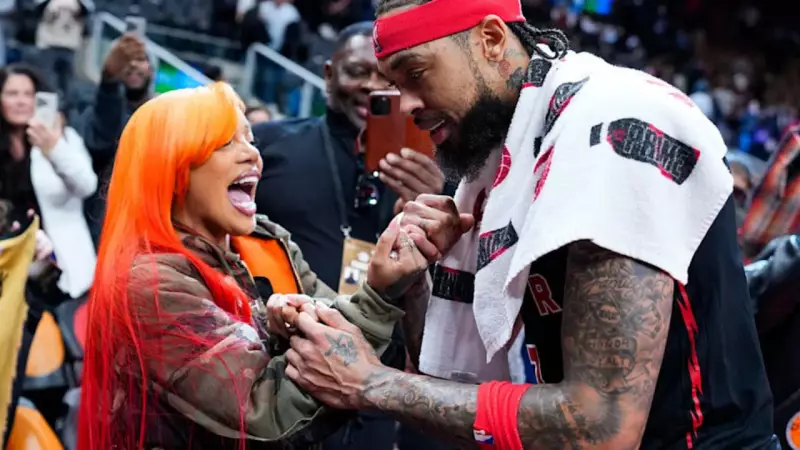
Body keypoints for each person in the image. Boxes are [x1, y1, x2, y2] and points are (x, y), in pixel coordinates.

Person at [278, 1, 778, 449]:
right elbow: (458, 391)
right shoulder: (498, 157)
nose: (404, 105)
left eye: (415, 73)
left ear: (491, 39)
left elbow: (601, 427)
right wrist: (414, 283)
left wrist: (371, 383)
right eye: (394, 84)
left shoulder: (611, 124)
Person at [77, 82, 428, 450]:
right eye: (226, 143)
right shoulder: (151, 283)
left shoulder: (267, 241)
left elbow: (357, 346)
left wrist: (401, 281)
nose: (252, 155)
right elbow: (266, 415)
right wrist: (378, 296)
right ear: (172, 166)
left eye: (250, 139)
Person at [253, 21, 446, 450]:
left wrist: (437, 202)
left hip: (378, 390)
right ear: (328, 74)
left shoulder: (437, 172)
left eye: (388, 79)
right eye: (358, 72)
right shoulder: (267, 148)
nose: (372, 87)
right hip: (285, 381)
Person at [0, 64, 97, 300]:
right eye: (12, 93)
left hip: (61, 269)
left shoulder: (64, 138)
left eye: (28, 94)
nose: (21, 101)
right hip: (8, 265)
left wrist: (52, 148)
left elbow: (87, 185)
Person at [79, 32, 153, 245]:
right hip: (101, 219)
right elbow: (100, 141)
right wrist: (109, 82)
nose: (133, 65)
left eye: (140, 59)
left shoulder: (162, 114)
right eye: (125, 60)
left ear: (150, 67)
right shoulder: (95, 109)